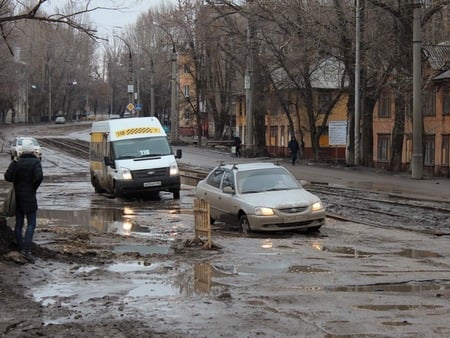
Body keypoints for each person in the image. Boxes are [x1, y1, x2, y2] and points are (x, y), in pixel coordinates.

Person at [4, 140, 43, 263]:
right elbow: (39, 177)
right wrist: (34, 187)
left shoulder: (16, 162)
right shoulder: (35, 162)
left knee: (19, 224)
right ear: (32, 151)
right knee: (31, 223)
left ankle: (21, 248)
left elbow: (7, 177)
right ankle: (26, 250)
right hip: (30, 196)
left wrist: (14, 165)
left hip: (18, 197)